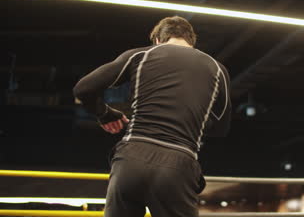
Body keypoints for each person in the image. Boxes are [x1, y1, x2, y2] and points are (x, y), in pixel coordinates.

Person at [73, 16, 231, 217]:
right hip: (178, 162)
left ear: (157, 39)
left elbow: (83, 89)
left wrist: (105, 114)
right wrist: (192, 120)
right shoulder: (217, 69)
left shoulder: (140, 55)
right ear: (192, 41)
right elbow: (221, 128)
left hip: (131, 158)